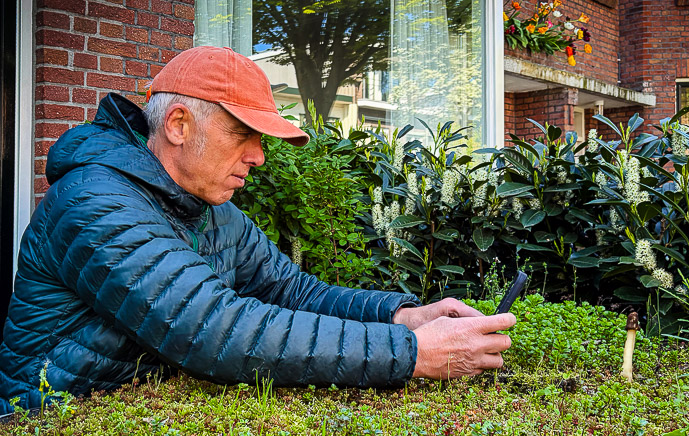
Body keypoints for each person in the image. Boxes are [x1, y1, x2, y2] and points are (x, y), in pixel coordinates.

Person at [0, 47, 514, 415]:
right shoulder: (94, 200)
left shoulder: (210, 208)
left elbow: (294, 292)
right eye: (243, 134)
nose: (259, 156)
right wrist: (413, 353)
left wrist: (403, 315)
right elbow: (214, 328)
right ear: (178, 125)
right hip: (45, 433)